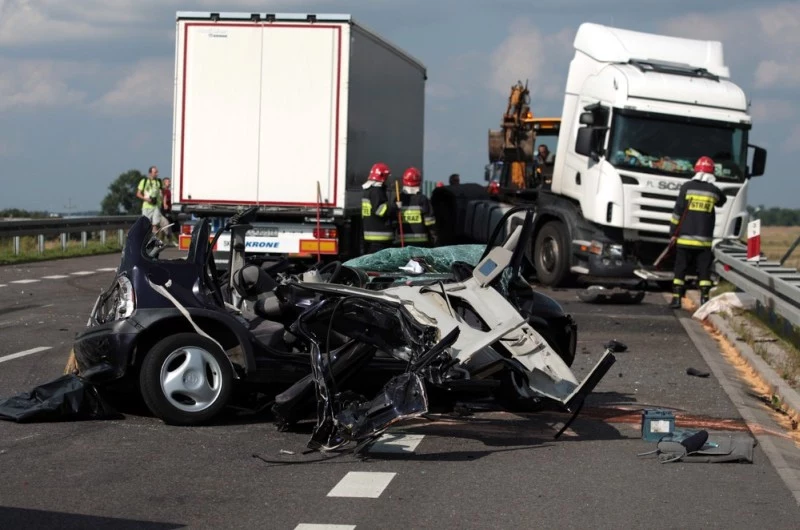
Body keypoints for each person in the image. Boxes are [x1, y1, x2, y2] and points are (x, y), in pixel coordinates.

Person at [669, 155, 727, 309]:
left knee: (680, 269)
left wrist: (673, 232)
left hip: (684, 239)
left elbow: (677, 212)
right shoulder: (713, 191)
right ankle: (705, 299)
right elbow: (722, 201)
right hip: (704, 242)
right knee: (704, 272)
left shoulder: (686, 187)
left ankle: (676, 299)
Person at [361, 162, 398, 254]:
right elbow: (380, 210)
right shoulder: (377, 191)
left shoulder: (368, 190)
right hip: (380, 236)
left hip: (370, 235)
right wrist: (395, 206)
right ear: (383, 176)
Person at [396, 167, 436, 247]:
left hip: (402, 241)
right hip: (421, 242)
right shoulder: (422, 199)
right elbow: (429, 222)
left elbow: (393, 220)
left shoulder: (398, 199)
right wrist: (433, 236)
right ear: (419, 182)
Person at [136, 166, 168, 234]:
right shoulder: (144, 181)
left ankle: (154, 239)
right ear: (150, 173)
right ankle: (144, 239)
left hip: (156, 205)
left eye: (157, 172)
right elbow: (138, 194)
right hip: (147, 206)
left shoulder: (159, 181)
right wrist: (146, 199)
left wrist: (164, 203)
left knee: (155, 225)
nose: (157, 174)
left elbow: (163, 193)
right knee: (145, 224)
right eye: (155, 172)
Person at [160, 177, 177, 245]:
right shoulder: (164, 191)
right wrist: (164, 204)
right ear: (164, 183)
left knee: (167, 226)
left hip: (169, 210)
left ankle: (165, 241)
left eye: (170, 181)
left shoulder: (169, 191)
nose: (170, 183)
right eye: (168, 181)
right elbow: (164, 198)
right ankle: (169, 240)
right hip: (164, 211)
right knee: (167, 225)